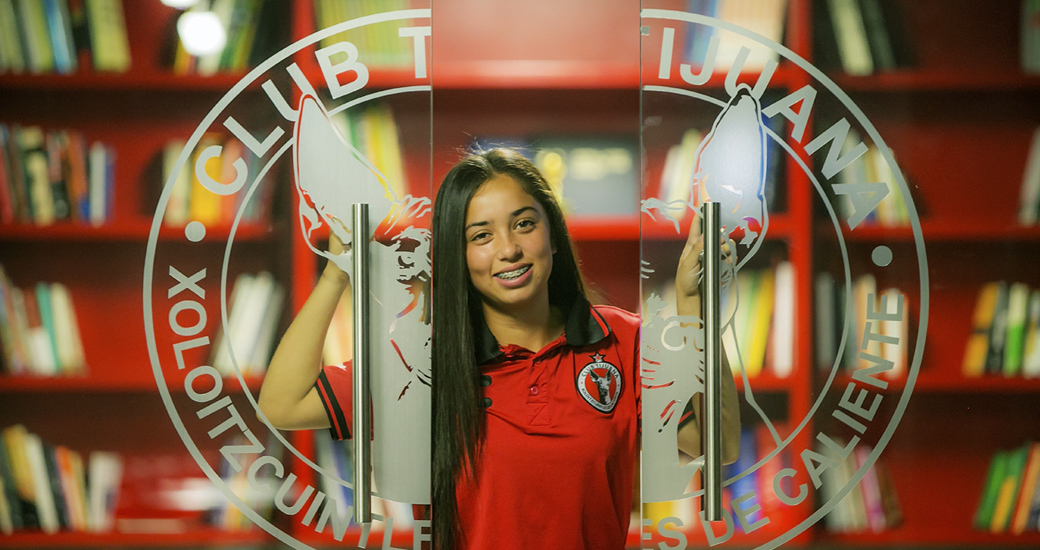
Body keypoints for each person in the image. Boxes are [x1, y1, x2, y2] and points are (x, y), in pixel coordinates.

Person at [257, 148, 740, 550]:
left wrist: (695, 308)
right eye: (481, 236)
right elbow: (283, 403)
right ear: (458, 257)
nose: (508, 249)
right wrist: (338, 272)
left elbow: (717, 445)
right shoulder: (425, 361)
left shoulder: (625, 341)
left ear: (553, 236)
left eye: (524, 224)